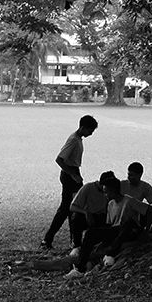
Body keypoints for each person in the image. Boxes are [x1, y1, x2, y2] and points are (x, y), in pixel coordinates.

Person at [40, 115, 97, 251]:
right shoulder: (73, 140)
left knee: (71, 208)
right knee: (69, 209)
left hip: (74, 174)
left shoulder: (77, 139)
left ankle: (70, 241)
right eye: (90, 130)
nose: (91, 133)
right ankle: (52, 240)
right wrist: (73, 175)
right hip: (69, 176)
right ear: (83, 127)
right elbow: (59, 159)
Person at [65, 171, 123, 274]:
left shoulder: (122, 201)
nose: (105, 195)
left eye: (107, 192)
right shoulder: (88, 188)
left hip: (106, 221)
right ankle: (77, 246)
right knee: (77, 218)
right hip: (89, 216)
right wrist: (86, 213)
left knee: (94, 234)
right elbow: (72, 206)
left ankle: (83, 263)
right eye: (104, 191)